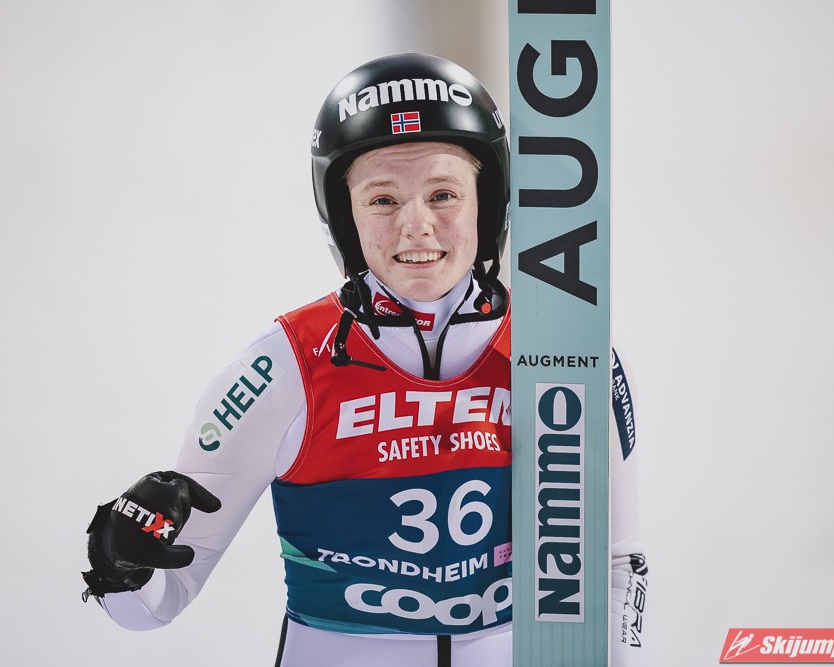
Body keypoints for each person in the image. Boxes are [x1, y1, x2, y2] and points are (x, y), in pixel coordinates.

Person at [82, 53, 649, 667]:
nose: (416, 226)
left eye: (444, 194)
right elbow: (155, 603)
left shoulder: (566, 349)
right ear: (345, 217)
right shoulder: (285, 365)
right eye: (382, 200)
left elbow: (619, 565)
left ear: (487, 204)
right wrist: (120, 563)